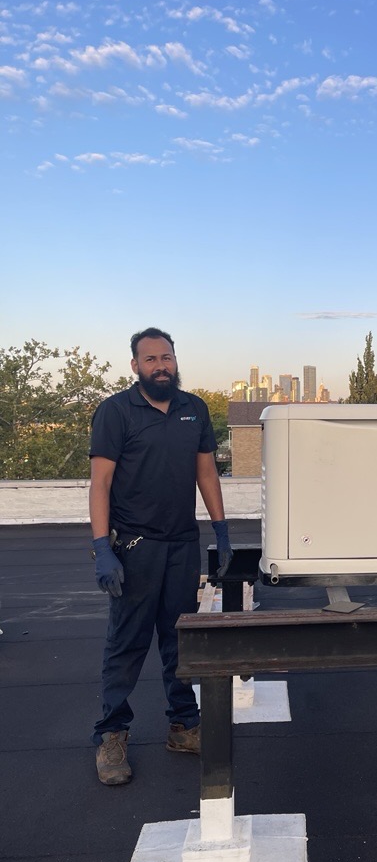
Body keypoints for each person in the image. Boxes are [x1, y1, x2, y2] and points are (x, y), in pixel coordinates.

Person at [89, 327, 233, 786]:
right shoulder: (115, 412)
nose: (160, 366)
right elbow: (101, 484)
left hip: (181, 545)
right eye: (150, 359)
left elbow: (206, 471)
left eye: (166, 357)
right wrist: (100, 549)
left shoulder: (194, 409)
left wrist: (222, 531)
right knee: (127, 643)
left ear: (175, 360)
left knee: (179, 640)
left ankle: (182, 725)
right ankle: (112, 734)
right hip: (134, 548)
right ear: (135, 366)